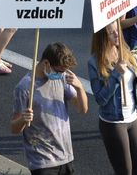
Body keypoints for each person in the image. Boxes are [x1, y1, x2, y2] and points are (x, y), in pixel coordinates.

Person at [11, 42, 89, 174]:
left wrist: (79, 88)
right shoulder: (24, 87)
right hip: (42, 161)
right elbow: (14, 128)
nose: (61, 74)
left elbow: (82, 109)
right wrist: (23, 120)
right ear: (46, 63)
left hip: (66, 156)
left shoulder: (62, 78)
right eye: (59, 71)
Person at [88, 22, 137, 175]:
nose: (117, 34)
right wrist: (116, 75)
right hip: (113, 122)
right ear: (103, 37)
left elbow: (134, 89)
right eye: (112, 32)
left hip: (132, 119)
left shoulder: (125, 52)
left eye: (117, 30)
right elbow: (100, 99)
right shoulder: (94, 62)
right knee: (125, 171)